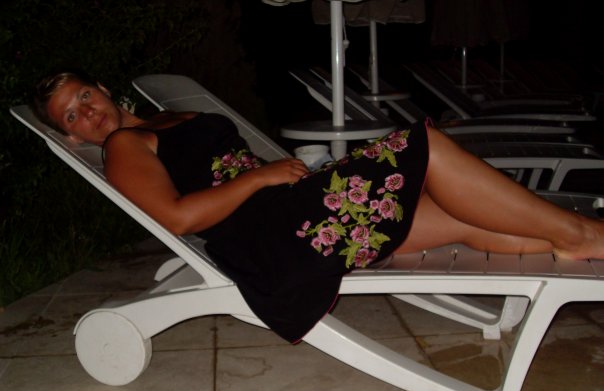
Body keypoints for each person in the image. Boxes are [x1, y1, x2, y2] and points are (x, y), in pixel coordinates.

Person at [32, 70, 604, 343]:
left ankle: (578, 242)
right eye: (72, 116)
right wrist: (261, 178)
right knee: (424, 147)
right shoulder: (123, 146)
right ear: (73, 135)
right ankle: (581, 234)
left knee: (463, 219)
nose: (88, 112)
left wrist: (270, 179)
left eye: (83, 96)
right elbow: (179, 218)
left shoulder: (159, 120)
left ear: (100, 86)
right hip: (280, 233)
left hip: (293, 213)